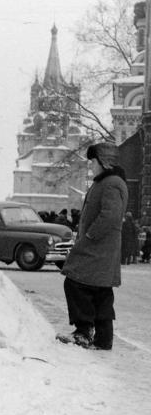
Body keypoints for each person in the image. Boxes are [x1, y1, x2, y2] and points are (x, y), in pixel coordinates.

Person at [59, 142, 127, 351]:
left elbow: (110, 215)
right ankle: (103, 338)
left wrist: (90, 235)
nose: (91, 166)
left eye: (94, 162)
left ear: (104, 162)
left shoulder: (111, 183)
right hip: (102, 249)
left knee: (75, 282)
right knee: (100, 292)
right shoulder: (107, 182)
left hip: (98, 248)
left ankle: (84, 332)